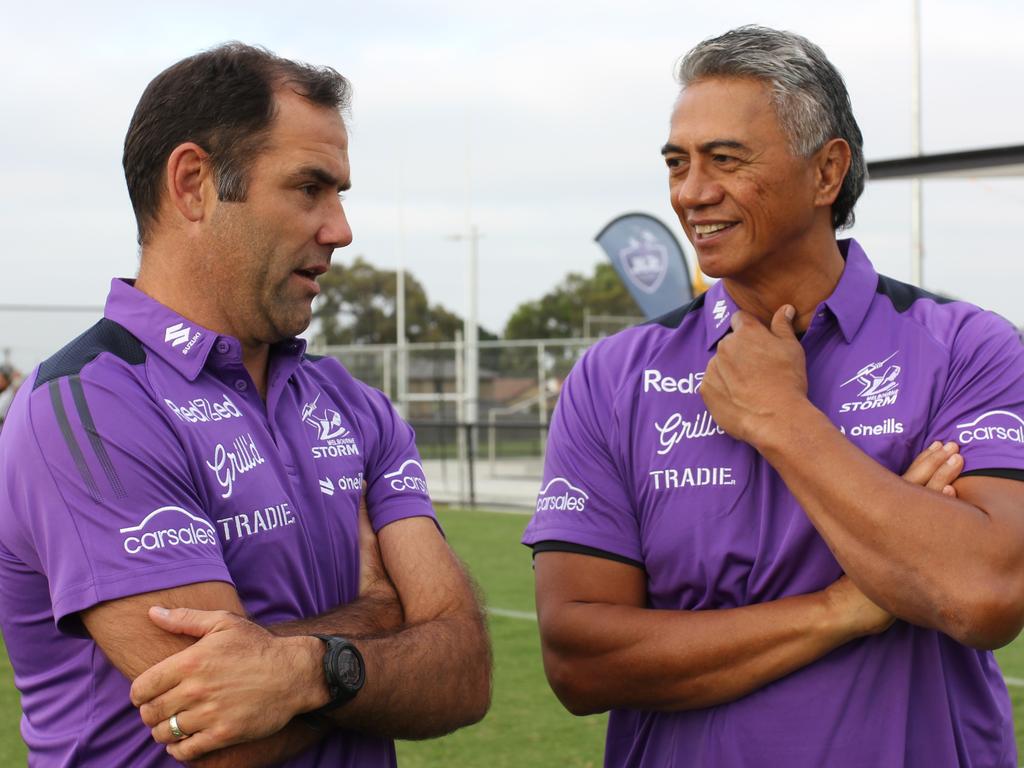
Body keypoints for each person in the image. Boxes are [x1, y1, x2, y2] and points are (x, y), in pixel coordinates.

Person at [523, 25, 1024, 767]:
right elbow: (580, 661)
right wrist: (844, 607)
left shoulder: (969, 349)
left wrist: (782, 419)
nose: (691, 193)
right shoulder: (612, 376)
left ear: (827, 173)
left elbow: (982, 594)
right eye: (677, 163)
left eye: (725, 160)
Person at [0, 43, 490, 767]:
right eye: (309, 188)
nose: (340, 229)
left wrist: (297, 671)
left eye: (341, 194)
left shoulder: (355, 406)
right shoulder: (84, 409)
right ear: (194, 183)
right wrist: (383, 619)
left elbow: (466, 674)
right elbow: (220, 735)